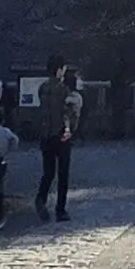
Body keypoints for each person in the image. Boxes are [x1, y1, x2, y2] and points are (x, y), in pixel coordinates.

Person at [34, 63, 82, 221]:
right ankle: (60, 210)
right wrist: (69, 129)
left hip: (45, 134)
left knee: (48, 172)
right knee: (63, 173)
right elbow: (67, 112)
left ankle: (41, 198)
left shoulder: (42, 87)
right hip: (61, 134)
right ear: (59, 70)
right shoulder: (64, 90)